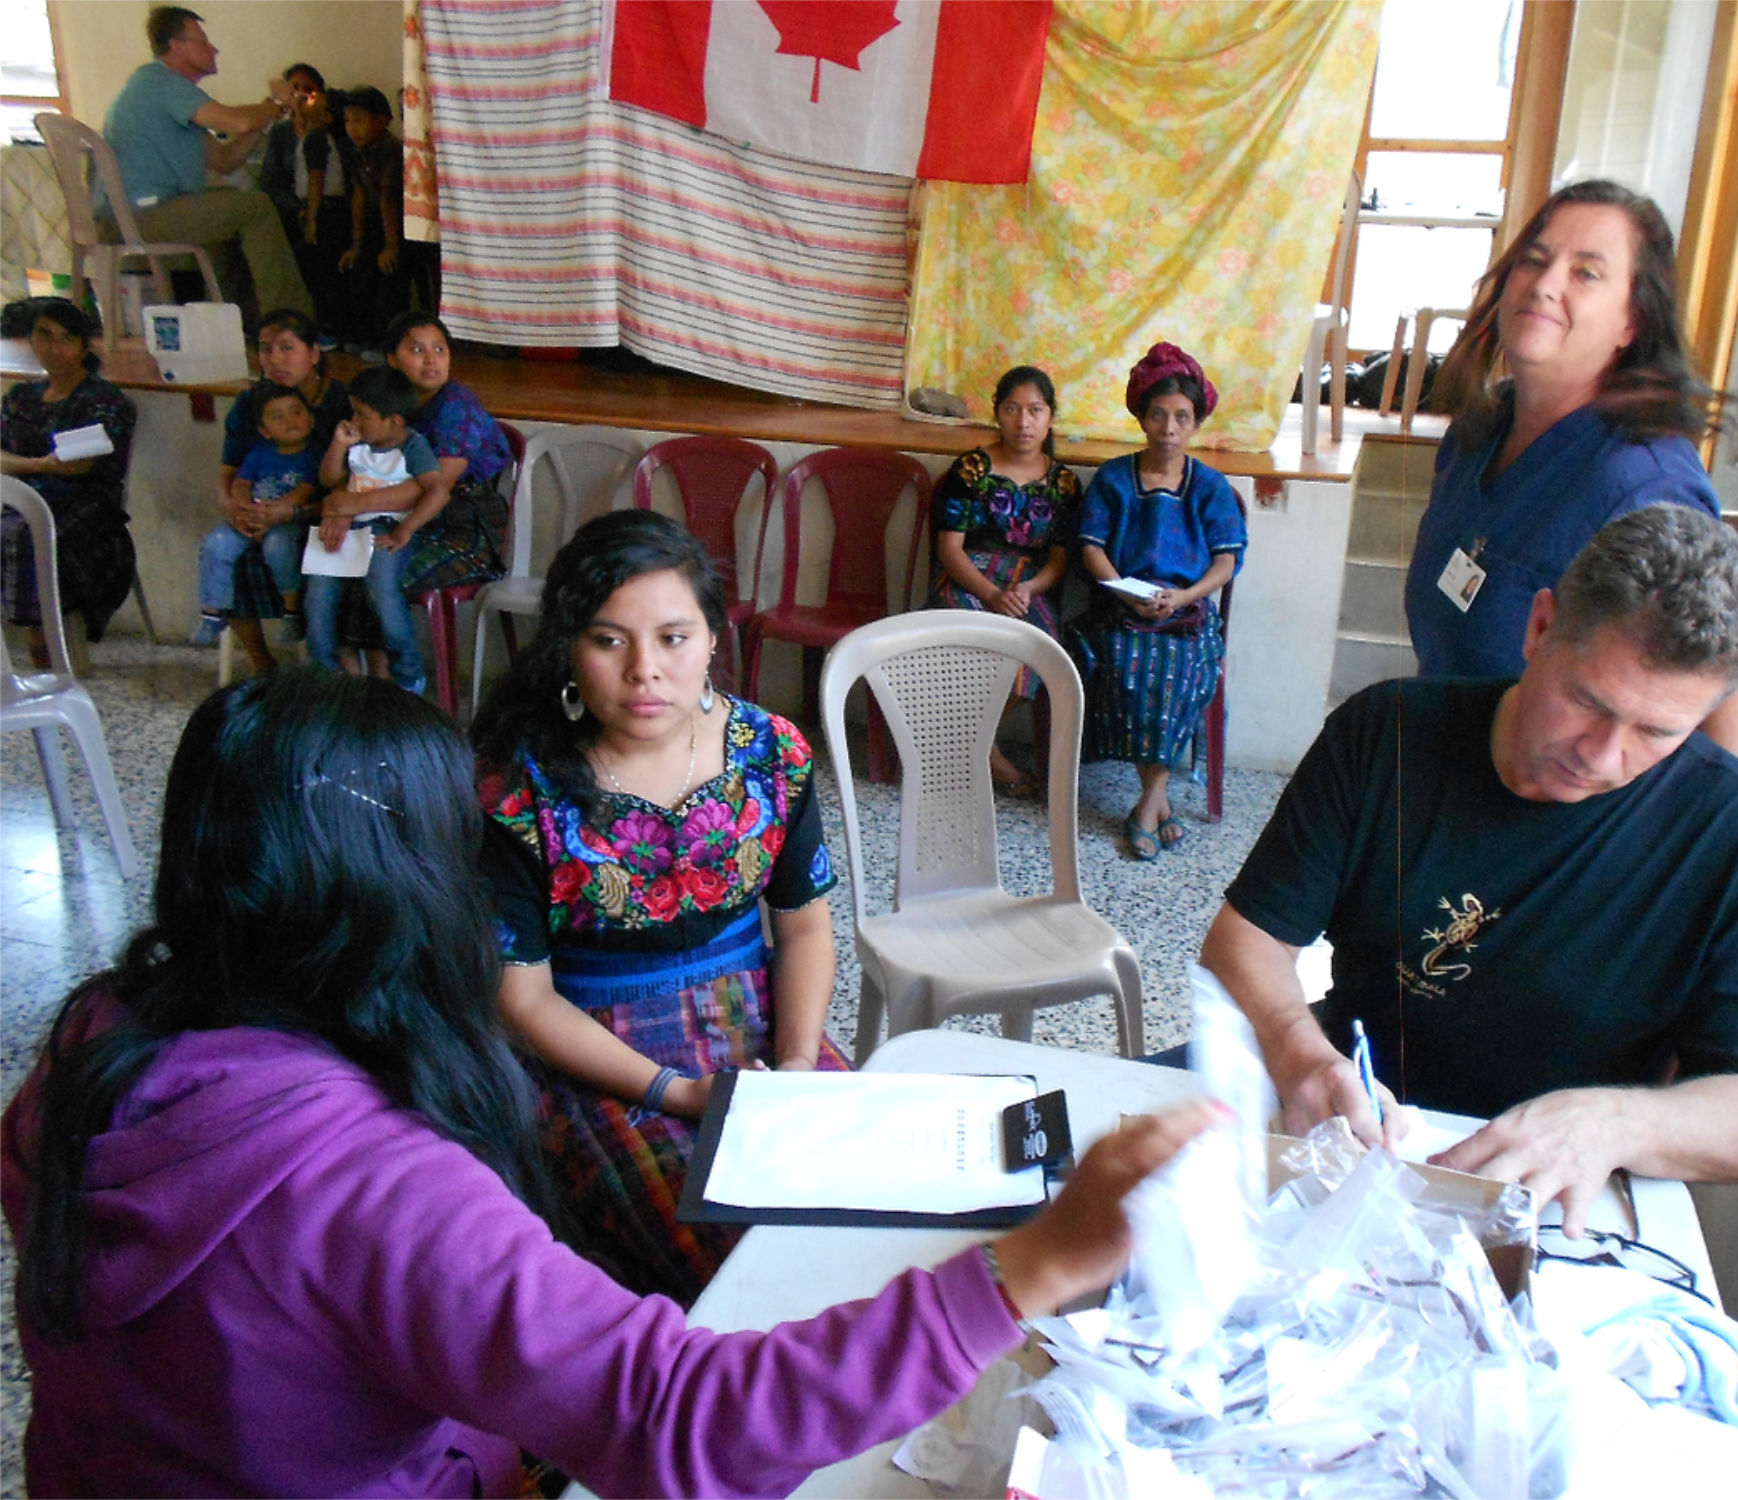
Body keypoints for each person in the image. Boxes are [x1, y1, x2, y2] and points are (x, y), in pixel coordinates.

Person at [1, 667, 1219, 1498]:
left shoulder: (90, 1053)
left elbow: (801, 929)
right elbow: (678, 1418)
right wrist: (1031, 1268)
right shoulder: (372, 1189)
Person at [1201, 504, 1738, 1234]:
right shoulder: (1387, 733)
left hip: (1550, 1192)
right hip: (1351, 1127)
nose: (1600, 755)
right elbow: (1246, 938)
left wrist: (1617, 1123)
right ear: (1540, 627)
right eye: (1588, 701)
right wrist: (1296, 1048)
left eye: (1657, 732)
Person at [470, 510, 850, 1303]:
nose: (645, 670)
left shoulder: (773, 752)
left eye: (674, 638)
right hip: (594, 1051)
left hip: (762, 1017)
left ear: (714, 639)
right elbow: (522, 998)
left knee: (858, 1209)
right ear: (570, 648)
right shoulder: (519, 787)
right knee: (733, 1261)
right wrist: (677, 1093)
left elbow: (806, 925)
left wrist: (797, 1065)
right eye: (609, 640)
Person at [1409, 179, 1738, 768]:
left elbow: (1730, 703)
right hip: (1454, 777)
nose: (1545, 285)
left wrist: (1702, 854)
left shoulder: (1643, 483)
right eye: (1535, 260)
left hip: (1553, 811)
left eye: (1586, 273)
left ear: (1633, 320)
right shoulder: (1478, 433)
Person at [1075, 341, 1246, 860]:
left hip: (1188, 614)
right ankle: (1159, 804)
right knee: (1129, 665)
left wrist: (1184, 597)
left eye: (1181, 417)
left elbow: (1225, 562)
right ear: (1142, 418)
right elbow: (1091, 548)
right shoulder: (1112, 479)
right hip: (1123, 611)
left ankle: (1147, 805)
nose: (1168, 428)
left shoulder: (1210, 488)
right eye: (1158, 415)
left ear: (1195, 424)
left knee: (1182, 668)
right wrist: (1127, 595)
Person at [101, 6, 313, 330]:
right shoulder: (163, 84)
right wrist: (276, 104)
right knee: (254, 207)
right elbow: (238, 120)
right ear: (176, 46)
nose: (213, 49)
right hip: (138, 216)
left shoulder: (167, 94)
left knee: (230, 205)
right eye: (202, 41)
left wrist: (269, 115)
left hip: (139, 214)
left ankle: (243, 324)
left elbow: (225, 160)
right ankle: (291, 326)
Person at [928, 365, 1081, 796]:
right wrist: (991, 592)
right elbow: (949, 549)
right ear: (998, 413)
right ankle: (990, 759)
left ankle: (967, 747)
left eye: (1035, 409)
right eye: (1013, 409)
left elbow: (1059, 560)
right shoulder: (970, 470)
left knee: (1031, 652)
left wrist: (1027, 590)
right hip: (969, 580)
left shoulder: (1064, 483)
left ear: (1051, 416)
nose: (1024, 421)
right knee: (967, 644)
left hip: (1028, 589)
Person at [335, 311, 514, 679]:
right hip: (402, 518)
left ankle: (401, 680)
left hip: (463, 526)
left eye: (439, 349)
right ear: (391, 358)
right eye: (417, 349)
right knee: (341, 562)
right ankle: (369, 686)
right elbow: (364, 468)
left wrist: (354, 504)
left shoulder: (454, 406)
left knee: (375, 568)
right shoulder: (389, 403)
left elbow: (435, 486)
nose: (431, 359)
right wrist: (341, 509)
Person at [191, 308, 352, 668]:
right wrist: (237, 509)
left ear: (313, 353)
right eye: (265, 349)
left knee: (289, 548)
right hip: (258, 510)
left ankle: (328, 667)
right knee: (227, 550)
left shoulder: (341, 404)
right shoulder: (251, 404)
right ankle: (260, 663)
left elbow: (350, 484)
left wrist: (290, 512)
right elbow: (230, 472)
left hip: (323, 514)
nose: (275, 359)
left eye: (286, 348)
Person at [0, 300, 138, 665]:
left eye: (66, 338)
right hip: (22, 495)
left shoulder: (103, 400)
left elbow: (77, 467)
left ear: (82, 347)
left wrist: (21, 467)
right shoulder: (20, 398)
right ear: (30, 340)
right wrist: (38, 464)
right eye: (44, 335)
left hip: (87, 505)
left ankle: (41, 645)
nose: (54, 347)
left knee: (23, 534)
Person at [305, 365, 446, 695]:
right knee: (318, 593)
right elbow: (329, 480)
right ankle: (326, 673)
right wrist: (338, 445)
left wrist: (407, 529)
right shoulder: (358, 442)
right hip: (347, 526)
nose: (354, 421)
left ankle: (408, 673)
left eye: (362, 414)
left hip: (386, 527)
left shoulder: (413, 447)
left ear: (394, 420)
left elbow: (438, 491)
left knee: (382, 588)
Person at [191, 383, 321, 649]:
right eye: (278, 417)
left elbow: (305, 491)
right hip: (252, 517)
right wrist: (242, 508)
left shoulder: (315, 455)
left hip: (286, 520)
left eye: (296, 412)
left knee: (278, 546)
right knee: (216, 544)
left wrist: (271, 515)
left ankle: (291, 611)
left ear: (310, 419)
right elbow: (241, 483)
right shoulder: (259, 453)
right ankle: (213, 612)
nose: (290, 421)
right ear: (264, 431)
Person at [257, 62, 354, 341]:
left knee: (325, 265)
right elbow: (272, 181)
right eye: (294, 89)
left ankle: (327, 326)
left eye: (308, 91)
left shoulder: (329, 133)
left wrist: (311, 214)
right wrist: (297, 210)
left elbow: (322, 178)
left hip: (326, 210)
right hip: (291, 212)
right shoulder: (280, 133)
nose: (300, 96)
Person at [339, 86, 411, 344]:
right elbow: (359, 197)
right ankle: (362, 336)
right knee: (358, 271)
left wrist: (391, 246)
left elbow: (388, 198)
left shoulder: (393, 151)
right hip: (375, 228)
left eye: (358, 119)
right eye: (347, 120)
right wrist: (356, 244)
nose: (351, 127)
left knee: (390, 277)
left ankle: (388, 341)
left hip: (401, 230)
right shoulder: (358, 154)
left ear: (382, 121)